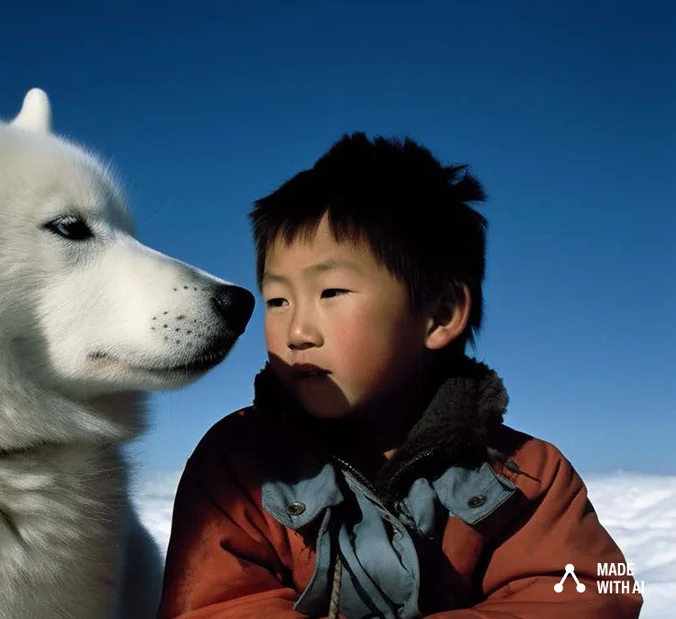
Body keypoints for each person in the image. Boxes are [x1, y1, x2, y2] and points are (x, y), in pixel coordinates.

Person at [157, 133, 643, 618]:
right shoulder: (238, 466)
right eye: (278, 300)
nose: (297, 330)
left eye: (331, 293)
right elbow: (216, 607)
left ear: (441, 314)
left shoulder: (527, 474)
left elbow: (587, 597)